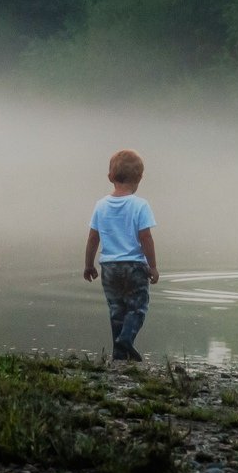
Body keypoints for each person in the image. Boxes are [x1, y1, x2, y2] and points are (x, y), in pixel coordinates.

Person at [83, 149, 159, 361]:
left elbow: (92, 239)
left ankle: (118, 355)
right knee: (137, 308)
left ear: (110, 177)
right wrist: (152, 266)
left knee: (117, 310)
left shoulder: (101, 205)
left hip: (109, 267)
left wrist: (89, 265)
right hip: (134, 266)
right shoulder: (140, 205)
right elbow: (146, 238)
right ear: (139, 178)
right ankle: (126, 339)